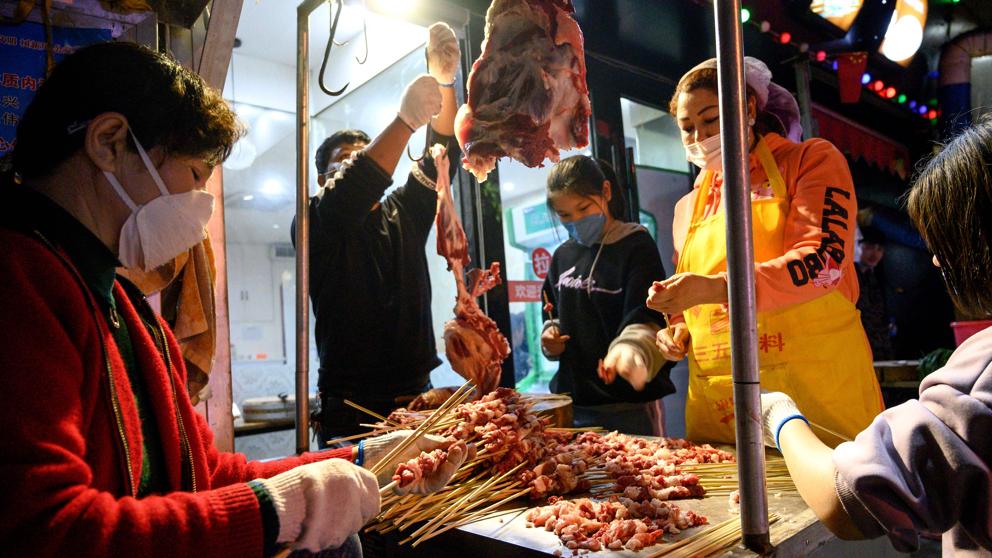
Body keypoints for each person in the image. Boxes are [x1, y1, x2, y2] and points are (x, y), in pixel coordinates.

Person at [0, 41, 468, 557]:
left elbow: (207, 472)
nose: (201, 199)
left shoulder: (126, 307)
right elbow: (44, 533)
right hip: (352, 398)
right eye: (197, 172)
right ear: (109, 142)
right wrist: (277, 511)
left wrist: (364, 459)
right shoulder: (21, 278)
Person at [760, 118, 992, 555]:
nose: (940, 261)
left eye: (946, 242)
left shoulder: (981, 376)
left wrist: (780, 417)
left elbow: (841, 500)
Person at [647, 57, 883, 444]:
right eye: (687, 129)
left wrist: (716, 288)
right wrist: (678, 331)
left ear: (749, 108)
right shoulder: (687, 207)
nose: (698, 137)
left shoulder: (810, 161)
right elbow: (688, 308)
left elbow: (822, 262)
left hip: (816, 398)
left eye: (710, 120)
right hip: (722, 408)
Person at [292, 23, 461, 445]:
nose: (357, 167)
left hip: (416, 399)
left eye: (361, 158)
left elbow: (441, 157)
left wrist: (444, 81)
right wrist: (405, 121)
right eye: (342, 164)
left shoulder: (401, 209)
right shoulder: (315, 219)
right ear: (321, 179)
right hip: (349, 408)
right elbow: (355, 187)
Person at [540, 155, 675, 435]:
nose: (575, 220)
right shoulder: (563, 255)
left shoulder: (635, 245)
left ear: (606, 192)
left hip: (627, 408)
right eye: (565, 215)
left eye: (583, 208)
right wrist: (550, 338)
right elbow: (552, 311)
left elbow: (649, 312)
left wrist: (629, 351)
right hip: (572, 404)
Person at [854, 225, 894, 360]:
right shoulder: (850, 276)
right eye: (869, 246)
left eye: (879, 249)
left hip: (879, 344)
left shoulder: (877, 276)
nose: (874, 253)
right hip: (859, 343)